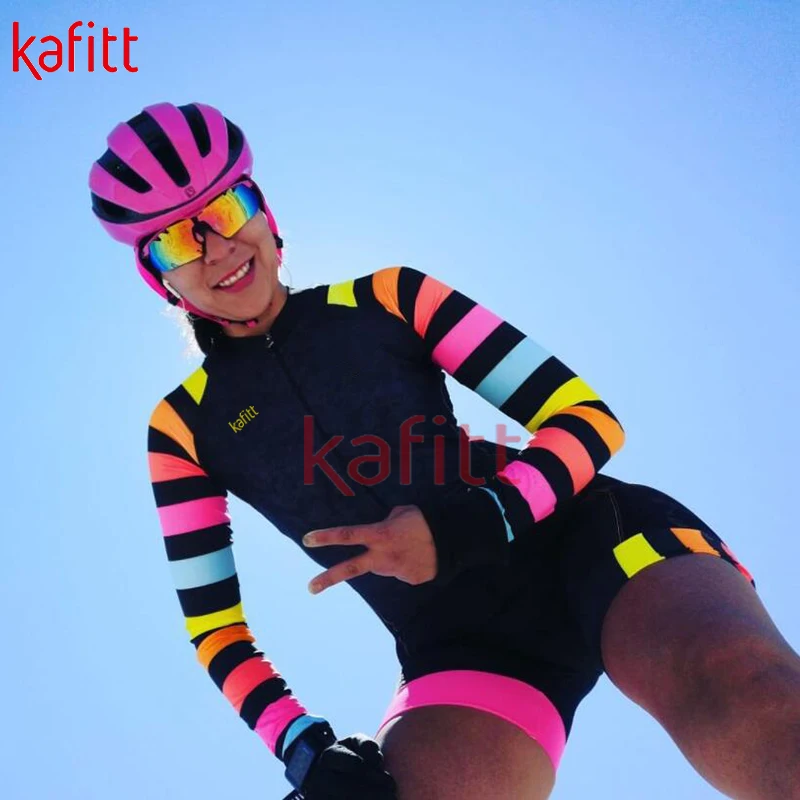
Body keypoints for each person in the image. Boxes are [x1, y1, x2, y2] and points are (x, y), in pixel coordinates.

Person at [90, 102, 800, 800]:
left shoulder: (391, 296)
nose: (217, 248)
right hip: (461, 647)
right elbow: (216, 629)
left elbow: (587, 420)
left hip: (591, 536)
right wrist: (300, 744)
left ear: (263, 212)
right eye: (177, 241)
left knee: (749, 697)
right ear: (159, 278)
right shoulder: (181, 429)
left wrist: (469, 524)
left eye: (226, 209)